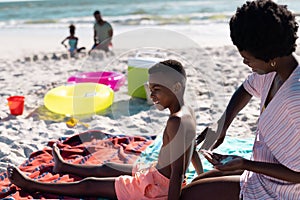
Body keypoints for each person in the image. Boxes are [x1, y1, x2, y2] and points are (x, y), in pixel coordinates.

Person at [7, 60, 203, 199]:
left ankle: (32, 184)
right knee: (110, 168)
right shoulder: (188, 112)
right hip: (156, 176)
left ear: (176, 87)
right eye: (150, 89)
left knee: (90, 185)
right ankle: (65, 167)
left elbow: (177, 174)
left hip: (155, 189)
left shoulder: (175, 122)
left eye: (157, 89)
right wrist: (200, 173)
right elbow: (191, 147)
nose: (151, 95)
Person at [181, 0, 300, 199]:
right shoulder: (274, 72)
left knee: (186, 195)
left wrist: (245, 164)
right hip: (263, 171)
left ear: (269, 56)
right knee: (196, 182)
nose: (245, 63)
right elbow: (246, 88)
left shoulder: (295, 100)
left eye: (248, 58)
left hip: (283, 190)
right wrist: (223, 125)